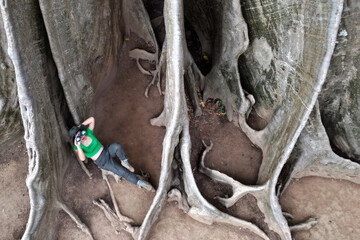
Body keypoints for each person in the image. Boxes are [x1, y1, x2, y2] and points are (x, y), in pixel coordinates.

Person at [69, 116, 155, 192]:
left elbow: (92, 119)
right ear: (76, 139)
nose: (81, 136)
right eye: (78, 137)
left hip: (106, 151)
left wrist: (79, 127)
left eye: (80, 133)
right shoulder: (77, 147)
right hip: (103, 161)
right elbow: (83, 159)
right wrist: (78, 145)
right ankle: (142, 183)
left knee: (117, 146)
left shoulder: (88, 132)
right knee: (123, 172)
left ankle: (125, 163)